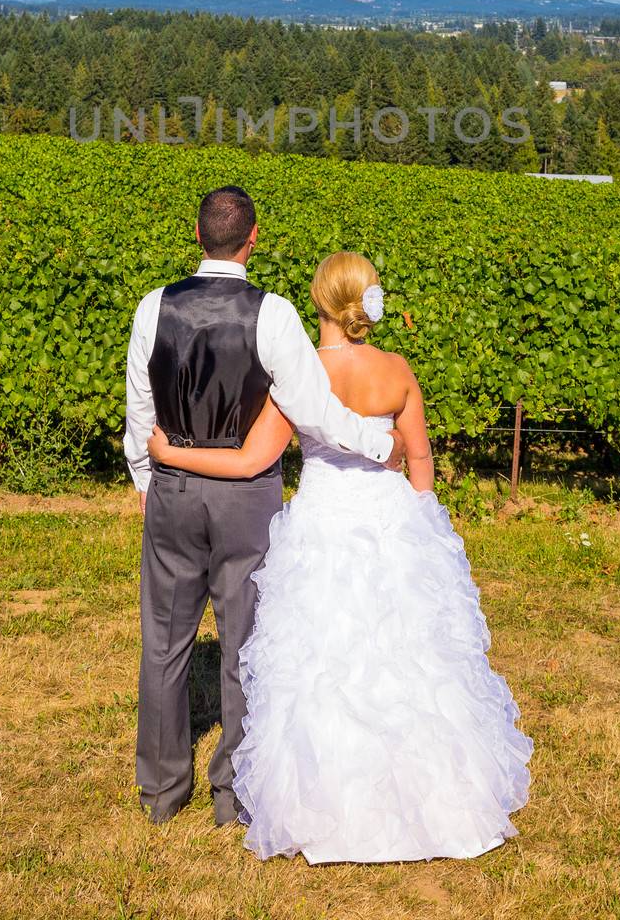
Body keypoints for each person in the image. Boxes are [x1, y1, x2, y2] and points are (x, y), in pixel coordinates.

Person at [148, 249, 533, 864]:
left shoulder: (300, 378)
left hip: (322, 523)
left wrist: (170, 456)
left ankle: (320, 801)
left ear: (318, 303)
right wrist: (420, 521)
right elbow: (419, 460)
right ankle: (433, 796)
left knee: (320, 659)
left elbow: (250, 462)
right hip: (390, 520)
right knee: (408, 656)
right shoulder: (398, 370)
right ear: (366, 305)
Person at [124, 189, 406, 827]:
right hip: (247, 499)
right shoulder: (273, 314)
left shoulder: (153, 306)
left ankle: (163, 795)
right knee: (244, 641)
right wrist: (377, 441)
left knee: (164, 643)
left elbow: (140, 405)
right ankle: (234, 791)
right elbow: (314, 408)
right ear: (252, 240)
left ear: (197, 238)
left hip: (172, 484)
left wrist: (147, 478)